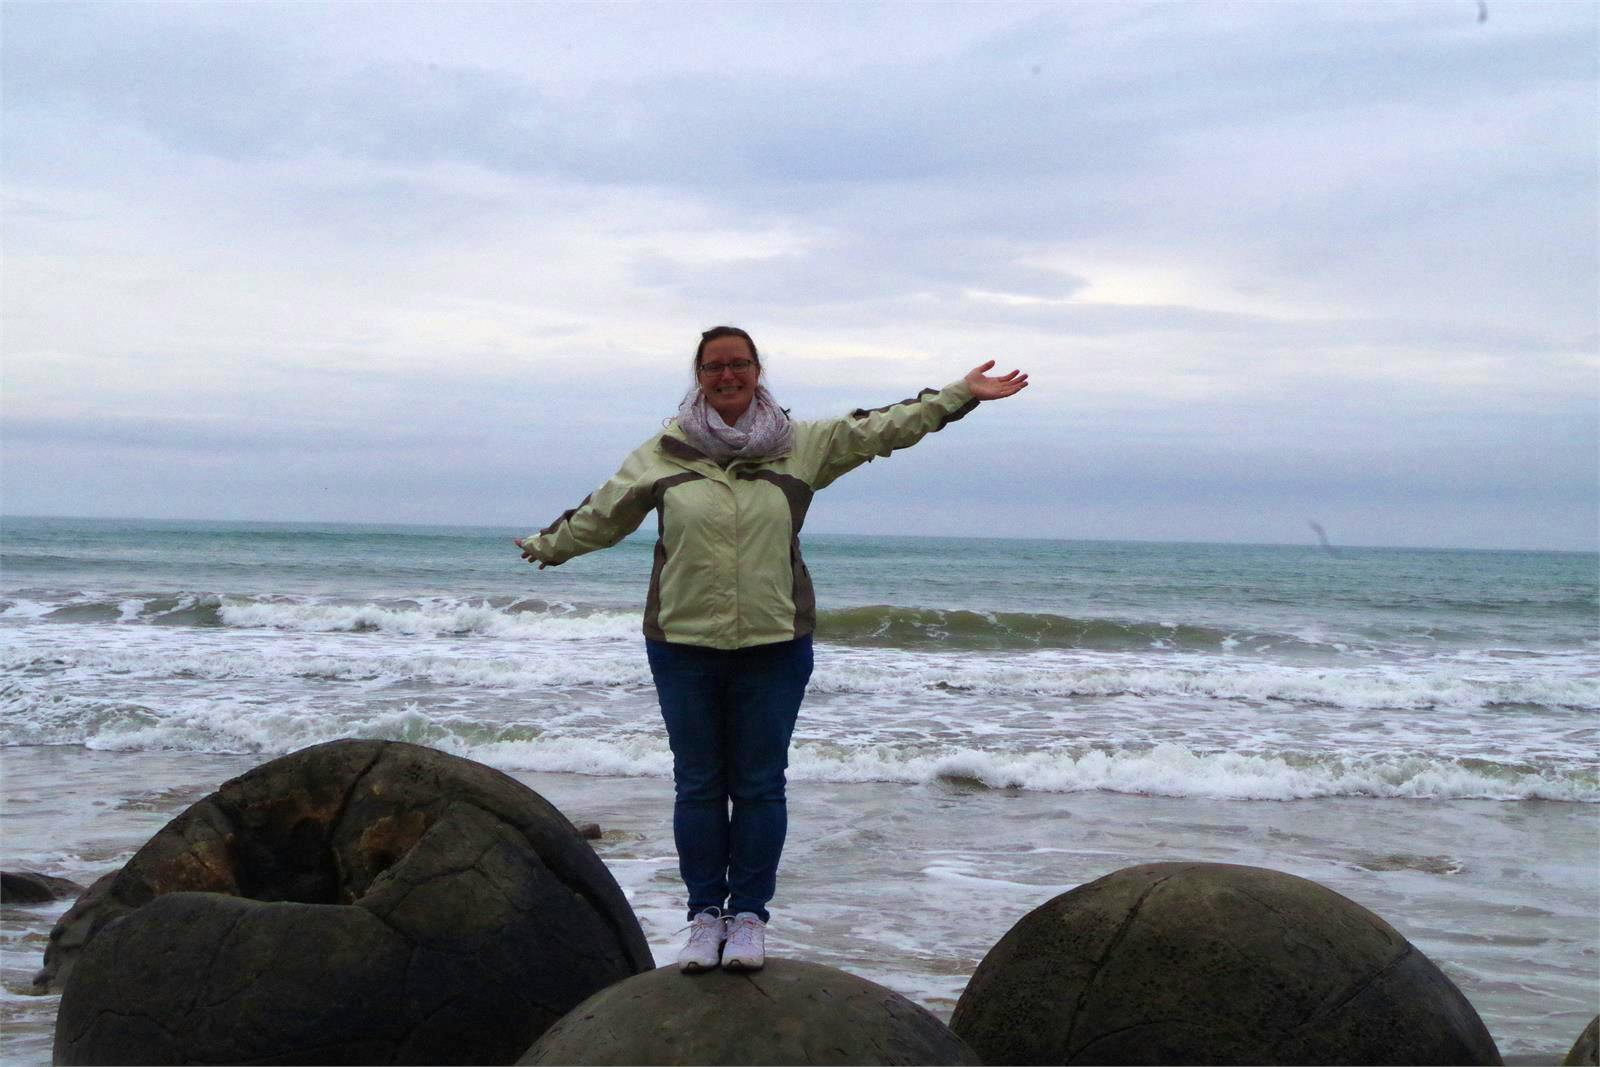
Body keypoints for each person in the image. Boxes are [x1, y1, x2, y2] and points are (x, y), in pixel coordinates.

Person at [515, 326, 1028, 973]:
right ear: (698, 376)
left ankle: (750, 915)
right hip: (683, 645)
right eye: (713, 367)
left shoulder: (802, 445)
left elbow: (882, 428)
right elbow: (606, 509)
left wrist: (961, 394)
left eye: (738, 364)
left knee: (759, 785)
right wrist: (549, 545)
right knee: (699, 785)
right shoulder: (665, 452)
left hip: (774, 645)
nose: (727, 375)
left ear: (757, 371)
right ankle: (705, 917)